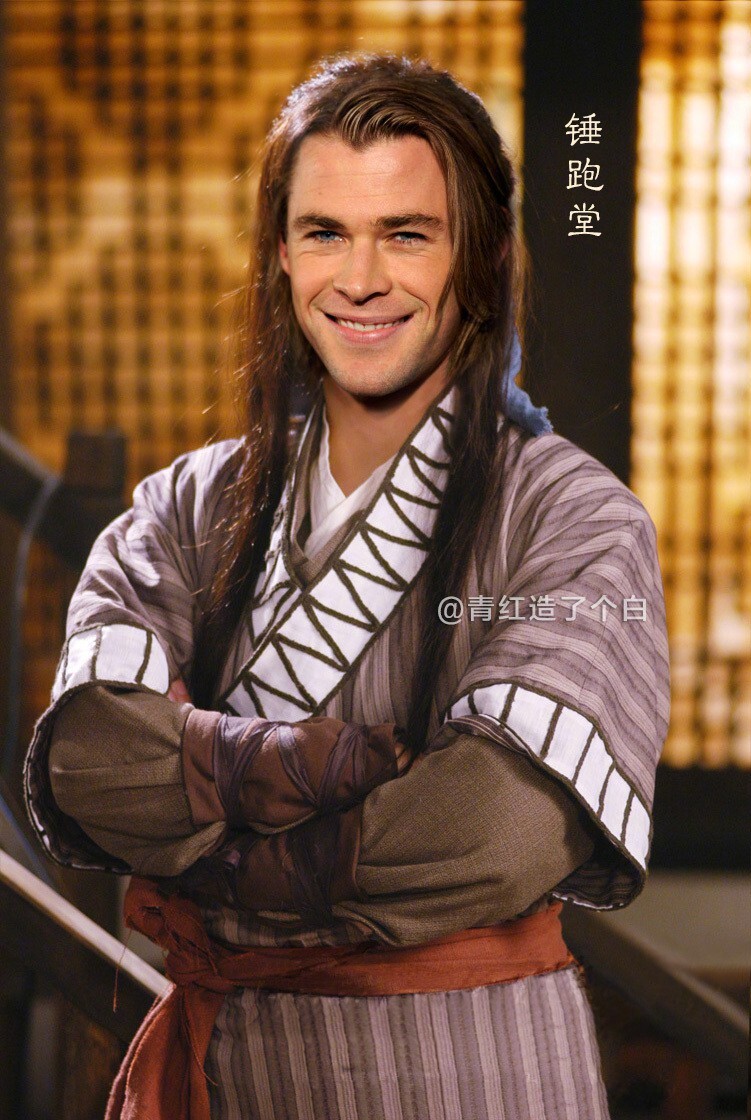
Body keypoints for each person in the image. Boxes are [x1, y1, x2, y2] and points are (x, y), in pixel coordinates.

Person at [25, 55, 670, 1120]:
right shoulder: (185, 505)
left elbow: (495, 832)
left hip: (471, 1077)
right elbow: (90, 762)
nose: (359, 280)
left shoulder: (579, 521)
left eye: (405, 235)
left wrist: (204, 807)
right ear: (281, 254)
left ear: (481, 259)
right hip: (228, 1069)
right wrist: (340, 766)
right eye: (325, 232)